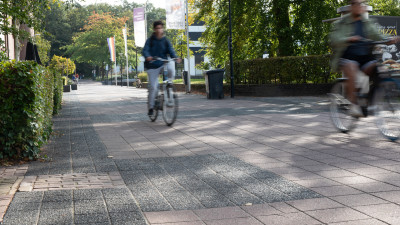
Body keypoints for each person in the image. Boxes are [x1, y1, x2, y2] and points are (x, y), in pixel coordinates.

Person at [329, 0, 399, 117]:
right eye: (357, 3)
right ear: (351, 6)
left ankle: (368, 101)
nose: (360, 6)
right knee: (352, 66)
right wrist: (349, 38)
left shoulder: (367, 22)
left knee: (377, 68)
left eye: (362, 3)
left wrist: (389, 39)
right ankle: (353, 105)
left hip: (365, 57)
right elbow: (335, 39)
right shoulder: (341, 23)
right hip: (347, 56)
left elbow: (377, 35)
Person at [143, 20, 182, 116]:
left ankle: (169, 82)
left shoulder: (165, 40)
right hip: (152, 65)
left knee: (171, 62)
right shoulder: (150, 40)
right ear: (154, 29)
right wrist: (148, 56)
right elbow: (145, 50)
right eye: (157, 28)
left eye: (160, 28)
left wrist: (175, 57)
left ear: (162, 29)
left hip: (163, 63)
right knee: (153, 87)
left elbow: (171, 50)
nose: (159, 30)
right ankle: (151, 107)